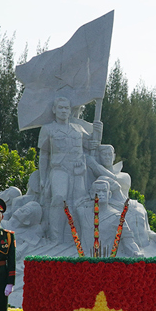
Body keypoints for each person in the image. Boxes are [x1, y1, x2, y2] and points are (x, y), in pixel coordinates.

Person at [37, 97, 102, 241]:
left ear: (70, 111)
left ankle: (79, 239)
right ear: (54, 110)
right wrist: (43, 177)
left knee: (80, 203)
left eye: (66, 108)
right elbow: (44, 155)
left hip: (78, 171)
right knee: (59, 198)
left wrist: (98, 131)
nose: (63, 111)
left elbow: (92, 144)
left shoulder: (78, 129)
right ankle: (55, 238)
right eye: (60, 107)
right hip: (59, 169)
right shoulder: (48, 129)